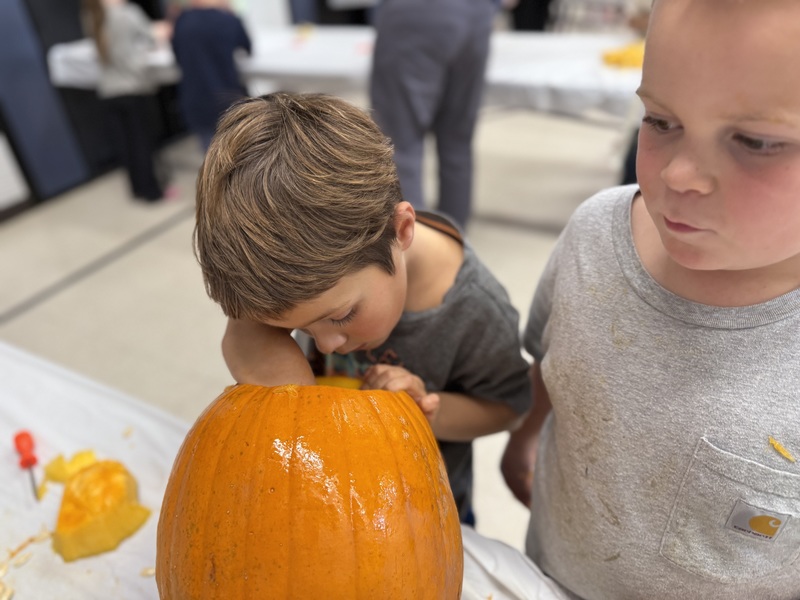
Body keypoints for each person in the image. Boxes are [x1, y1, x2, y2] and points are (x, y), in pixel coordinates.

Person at [500, 0, 800, 598]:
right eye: (661, 122)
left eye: (755, 142)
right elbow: (557, 363)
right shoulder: (593, 235)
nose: (681, 175)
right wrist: (526, 435)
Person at [194, 92, 532, 525]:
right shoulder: (297, 276)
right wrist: (298, 403)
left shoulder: (476, 310)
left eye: (340, 317)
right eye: (303, 329)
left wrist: (427, 409)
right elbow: (243, 332)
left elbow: (508, 408)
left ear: (402, 229)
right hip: (323, 498)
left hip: (423, 513)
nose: (329, 344)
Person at [368, 0, 496, 230]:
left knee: (399, 144)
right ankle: (454, 249)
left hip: (415, 13)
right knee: (457, 141)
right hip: (477, 14)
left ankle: (415, 253)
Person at [83, 0, 174, 202]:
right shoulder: (126, 13)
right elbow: (151, 38)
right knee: (143, 144)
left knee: (127, 146)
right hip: (133, 89)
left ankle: (138, 189)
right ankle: (153, 191)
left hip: (109, 92)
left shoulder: (91, 16)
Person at [170, 0, 251, 152]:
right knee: (240, 157)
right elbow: (247, 48)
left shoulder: (182, 22)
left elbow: (177, 57)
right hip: (228, 99)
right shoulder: (228, 20)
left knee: (211, 160)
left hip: (196, 101)